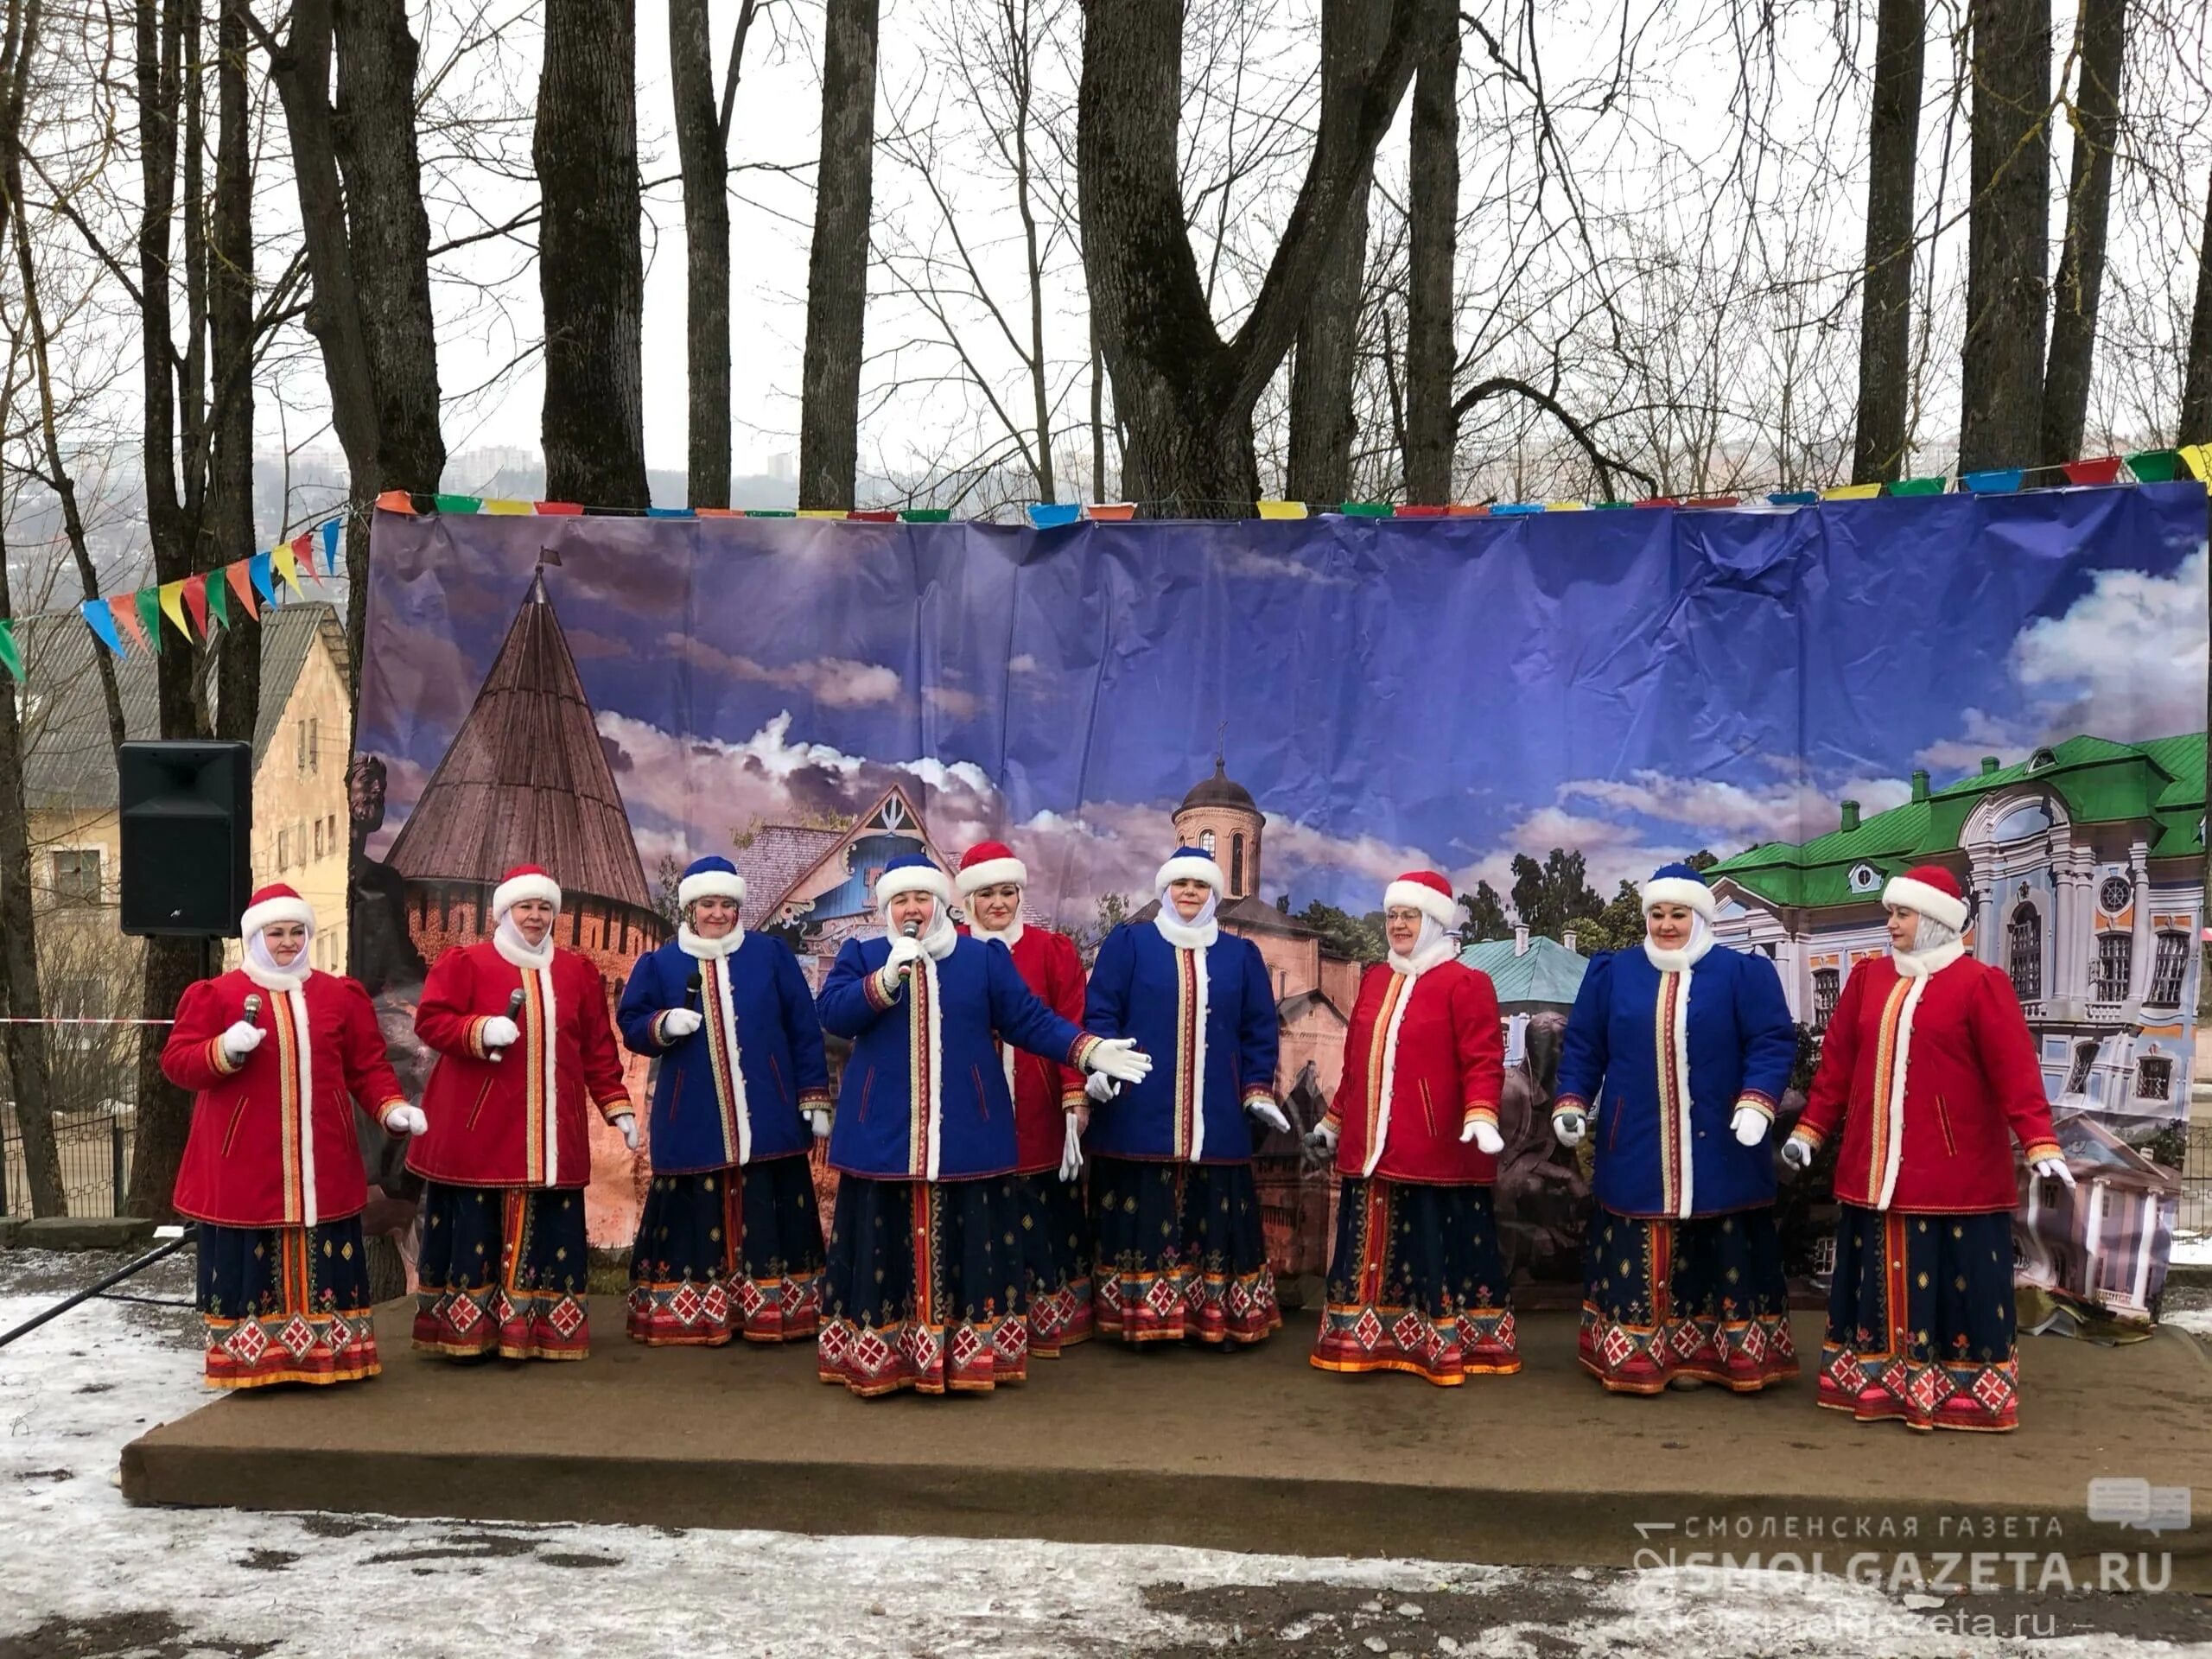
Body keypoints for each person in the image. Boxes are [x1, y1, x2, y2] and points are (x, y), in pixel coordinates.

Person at [814, 854, 1151, 1396]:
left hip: (966, 1134)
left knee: (968, 1243)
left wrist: (1087, 1051)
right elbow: (831, 1014)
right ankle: (885, 1358)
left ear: (943, 903)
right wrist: (883, 981)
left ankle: (964, 1358)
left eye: (922, 898)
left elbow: (1029, 1019)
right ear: (885, 908)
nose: (912, 909)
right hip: (882, 1134)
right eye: (901, 900)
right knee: (882, 1242)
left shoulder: (981, 959)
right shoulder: (864, 954)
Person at [1783, 865, 2072, 1433]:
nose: (1889, 924)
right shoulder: (1866, 981)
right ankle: (1876, 1383)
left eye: (1901, 914)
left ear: (1936, 921)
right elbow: (1836, 1067)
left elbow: (2015, 1071)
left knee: (1955, 1281)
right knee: (1877, 1280)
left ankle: (1958, 1393)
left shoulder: (1980, 984)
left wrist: (2039, 1142)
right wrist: (1808, 1132)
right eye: (1890, 912)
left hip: (1955, 1174)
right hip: (1873, 1171)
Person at [162, 882, 423, 1389]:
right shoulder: (216, 996)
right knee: (252, 1251)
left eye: (296, 932)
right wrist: (222, 1050)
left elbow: (367, 1067)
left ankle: (328, 1357)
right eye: (276, 932)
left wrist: (391, 1108)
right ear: (254, 938)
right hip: (243, 1162)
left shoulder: (338, 996)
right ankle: (254, 1364)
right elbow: (177, 1064)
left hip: (321, 1157)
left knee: (323, 1248)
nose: (287, 942)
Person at [1553, 862, 1800, 1395]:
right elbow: (1584, 1045)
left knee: (1721, 1240)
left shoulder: (1742, 974)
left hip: (1725, 1144)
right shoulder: (1613, 973)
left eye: (1679, 914)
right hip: (1637, 1143)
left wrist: (1758, 1102)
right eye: (1658, 914)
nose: (1667, 925)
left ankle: (1719, 1355)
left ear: (1700, 917)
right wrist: (1572, 1100)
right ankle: (1645, 1354)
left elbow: (1772, 1041)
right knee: (1644, 1242)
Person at [407, 864, 636, 1362]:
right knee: (478, 1224)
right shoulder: (466, 962)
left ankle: (540, 1331)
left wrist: (617, 1107)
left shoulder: (577, 972)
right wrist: (479, 1030)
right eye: (526, 907)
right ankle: (472, 1333)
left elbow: (598, 1048)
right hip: (479, 1129)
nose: (535, 917)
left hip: (554, 1131)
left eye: (544, 908)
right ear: (504, 912)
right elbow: (430, 1022)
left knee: (547, 1225)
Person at [1306, 871, 1514, 1384]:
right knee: (1366, 1248)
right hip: (1369, 1147)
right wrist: (1334, 1122)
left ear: (1435, 922)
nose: (1398, 925)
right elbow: (1357, 1064)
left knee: (1430, 1246)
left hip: (1436, 1148)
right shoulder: (1376, 979)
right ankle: (1364, 1341)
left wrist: (1482, 1115)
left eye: (1410, 916)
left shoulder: (1466, 983)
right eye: (1393, 915)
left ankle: (1438, 1347)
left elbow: (1484, 1059)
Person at [616, 855, 832, 1345]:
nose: (718, 914)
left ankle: (771, 1313)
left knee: (766, 1201)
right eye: (708, 904)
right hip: (690, 1114)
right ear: (690, 908)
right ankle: (695, 1317)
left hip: (769, 1113)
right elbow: (632, 1024)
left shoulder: (771, 956)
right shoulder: (660, 963)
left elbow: (803, 1028)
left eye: (727, 905)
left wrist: (813, 1095)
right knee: (698, 1208)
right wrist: (662, 1025)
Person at [1083, 845, 1289, 1347]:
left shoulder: (1241, 956)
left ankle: (1213, 1317)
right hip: (1137, 1111)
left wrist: (1256, 1089)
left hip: (1216, 1116)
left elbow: (1260, 1030)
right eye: (1181, 884)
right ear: (1165, 890)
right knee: (1142, 1207)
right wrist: (1099, 1063)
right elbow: (1101, 1012)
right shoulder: (1129, 944)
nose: (1190, 893)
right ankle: (1139, 1318)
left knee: (1213, 1211)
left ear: (1215, 893)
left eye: (1200, 885)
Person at [955, 840, 1094, 1356]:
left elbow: (1069, 1024)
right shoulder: (950, 950)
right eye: (987, 894)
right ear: (970, 900)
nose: (998, 904)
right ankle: (978, 1322)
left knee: (1039, 1207)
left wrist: (1075, 1098)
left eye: (1007, 892)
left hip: (1035, 1102)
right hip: (968, 1103)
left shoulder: (1050, 951)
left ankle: (1043, 1321)